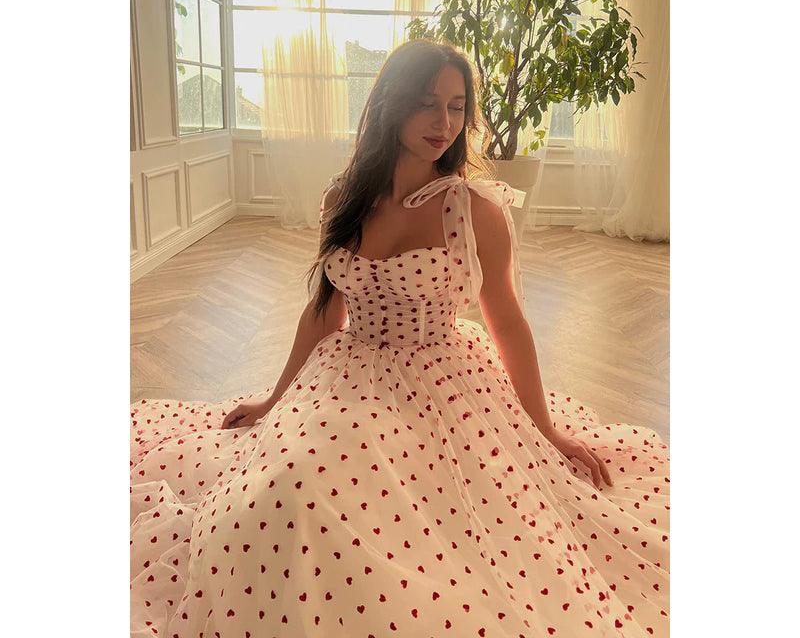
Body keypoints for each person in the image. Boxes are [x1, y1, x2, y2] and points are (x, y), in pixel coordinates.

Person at [130, 39, 669, 637]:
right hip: (347, 377)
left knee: (381, 510)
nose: (444, 123)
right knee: (289, 487)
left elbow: (509, 322)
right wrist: (274, 401)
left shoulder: (475, 209)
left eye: (457, 107)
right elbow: (324, 311)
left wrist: (546, 431)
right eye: (426, 103)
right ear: (389, 102)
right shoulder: (342, 199)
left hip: (444, 385)